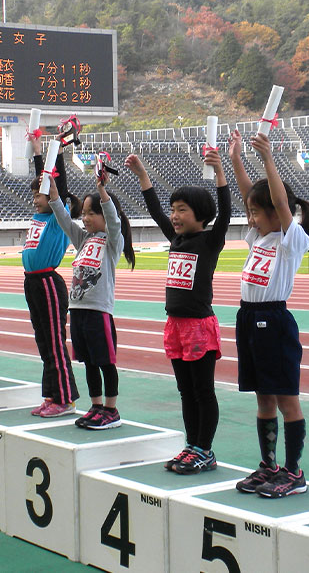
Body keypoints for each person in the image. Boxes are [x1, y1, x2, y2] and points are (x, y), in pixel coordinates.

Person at [125, 149, 230, 473]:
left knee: (203, 391)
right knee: (186, 391)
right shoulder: (176, 240)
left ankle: (205, 450)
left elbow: (225, 213)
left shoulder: (209, 241)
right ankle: (191, 444)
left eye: (181, 210)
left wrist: (220, 174)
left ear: (200, 215)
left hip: (198, 327)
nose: (174, 215)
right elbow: (155, 210)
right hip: (175, 326)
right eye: (174, 209)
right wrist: (143, 175)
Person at [228, 129, 309, 498]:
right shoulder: (258, 237)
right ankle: (269, 465)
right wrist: (235, 161)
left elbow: (280, 203)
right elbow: (254, 194)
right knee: (263, 398)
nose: (249, 216)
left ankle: (294, 472)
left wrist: (267, 158)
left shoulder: (290, 239)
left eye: (254, 212)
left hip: (274, 321)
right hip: (248, 319)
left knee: (285, 399)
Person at [46, 168, 135, 429]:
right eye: (83, 213)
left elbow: (114, 220)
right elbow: (64, 220)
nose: (85, 218)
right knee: (88, 362)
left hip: (98, 311)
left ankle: (111, 409)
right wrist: (53, 193)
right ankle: (96, 406)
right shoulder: (83, 239)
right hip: (79, 310)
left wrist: (102, 192)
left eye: (90, 213)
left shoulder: (112, 241)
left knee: (105, 362)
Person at [24, 130, 81, 417]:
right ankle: (52, 394)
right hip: (32, 283)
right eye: (33, 194)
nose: (35, 199)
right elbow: (42, 178)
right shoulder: (40, 213)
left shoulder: (59, 215)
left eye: (40, 195)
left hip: (47, 282)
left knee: (55, 342)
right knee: (43, 341)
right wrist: (37, 150)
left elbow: (55, 183)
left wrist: (55, 149)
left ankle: (65, 398)